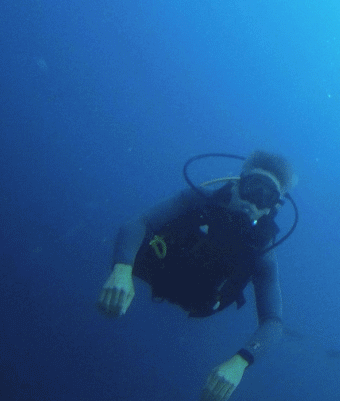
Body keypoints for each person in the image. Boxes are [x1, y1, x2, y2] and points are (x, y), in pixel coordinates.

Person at [98, 151, 297, 401]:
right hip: (155, 272)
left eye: (265, 197)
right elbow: (138, 223)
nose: (253, 202)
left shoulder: (262, 250)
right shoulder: (198, 199)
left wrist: (241, 362)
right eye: (252, 187)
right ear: (237, 184)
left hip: (200, 303)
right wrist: (122, 270)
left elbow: (273, 322)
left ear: (272, 207)